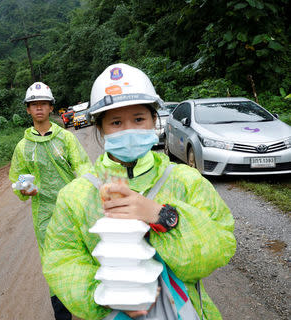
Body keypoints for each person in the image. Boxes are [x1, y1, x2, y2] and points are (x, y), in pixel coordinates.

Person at [42, 64, 236, 320]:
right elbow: (62, 260)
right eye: (116, 122)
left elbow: (217, 249)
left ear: (154, 120)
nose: (129, 130)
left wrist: (162, 215)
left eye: (138, 119)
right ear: (100, 128)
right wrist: (109, 297)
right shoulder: (76, 196)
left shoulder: (185, 181)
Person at [9, 81, 92, 320]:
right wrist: (24, 191)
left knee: (82, 254)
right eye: (34, 105)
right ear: (28, 109)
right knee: (53, 261)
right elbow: (18, 178)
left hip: (72, 210)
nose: (38, 108)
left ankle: (88, 303)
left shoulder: (65, 139)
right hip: (44, 215)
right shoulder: (23, 147)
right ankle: (63, 314)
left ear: (51, 107)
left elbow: (83, 167)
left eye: (43, 104)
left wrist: (87, 191)